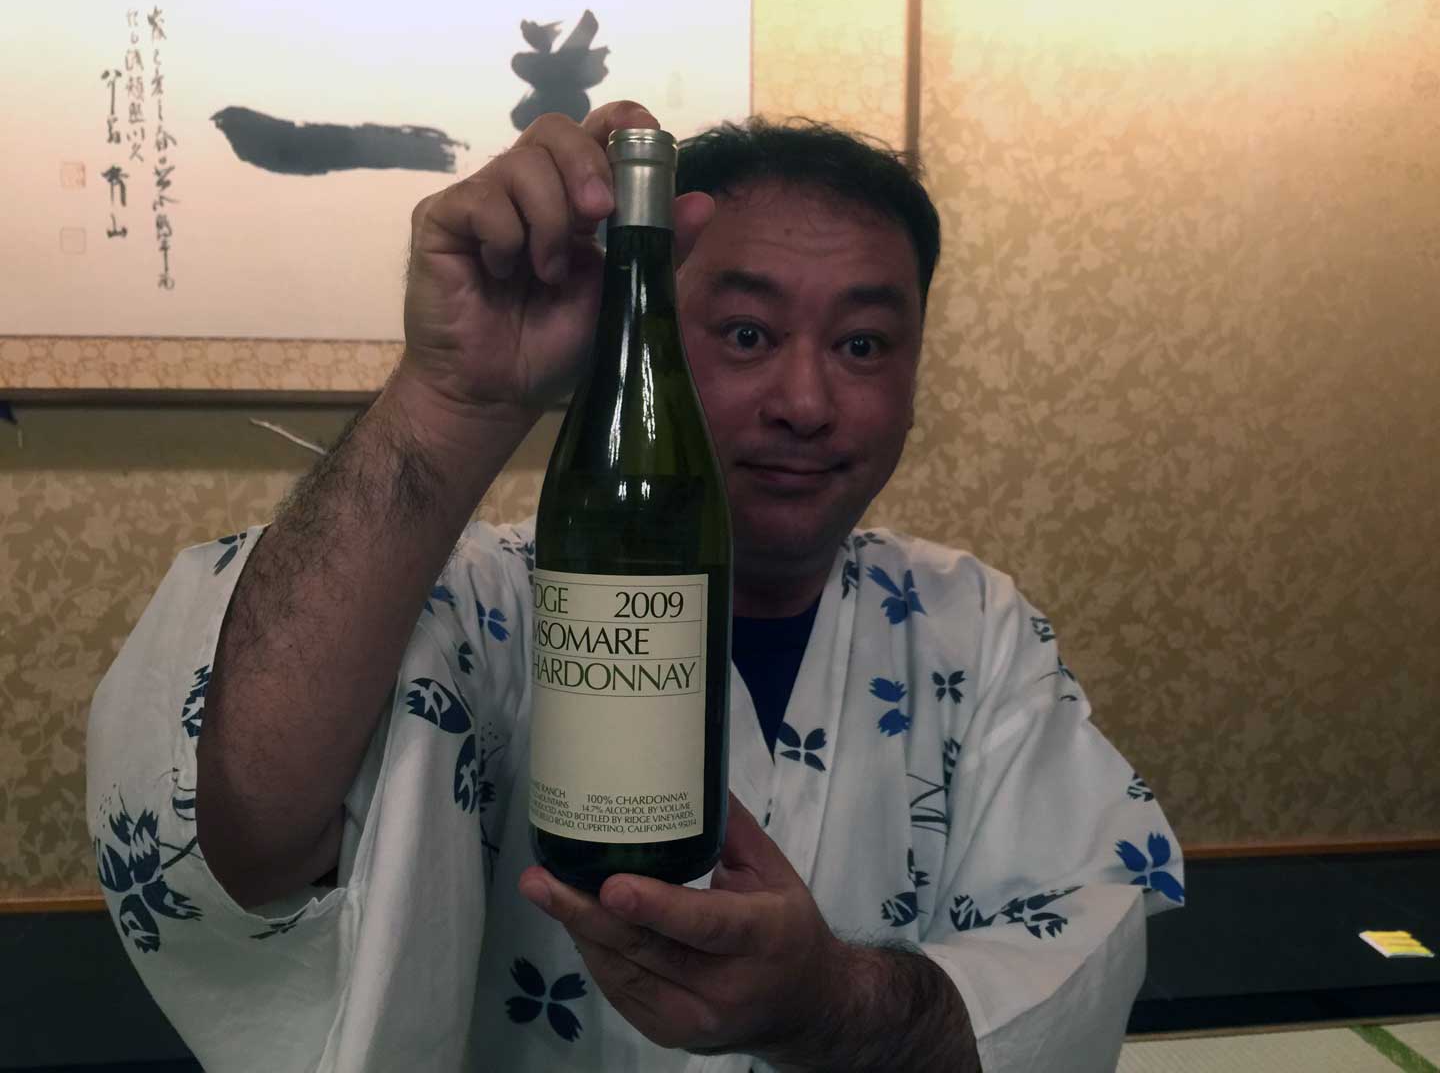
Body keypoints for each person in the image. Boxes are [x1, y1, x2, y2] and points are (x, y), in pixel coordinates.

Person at [87, 102, 1183, 1072]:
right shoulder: (484, 603)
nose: (805, 401)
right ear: (644, 324)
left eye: (862, 344)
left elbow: (1076, 956)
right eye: (745, 333)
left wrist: (830, 1005)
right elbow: (231, 841)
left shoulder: (971, 629)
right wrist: (449, 401)